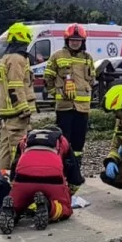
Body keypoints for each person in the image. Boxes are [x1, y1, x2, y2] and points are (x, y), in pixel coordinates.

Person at [0, 126, 86, 233]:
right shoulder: (62, 140)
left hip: (24, 179)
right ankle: (48, 206)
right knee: (65, 209)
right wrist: (69, 192)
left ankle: (11, 211)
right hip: (52, 180)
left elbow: (15, 167)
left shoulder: (25, 140)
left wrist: (14, 187)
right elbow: (74, 175)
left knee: (17, 203)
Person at [43, 24, 96, 178]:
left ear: (83, 41)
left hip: (83, 108)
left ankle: (76, 172)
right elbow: (48, 78)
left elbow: (92, 80)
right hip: (65, 107)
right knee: (64, 141)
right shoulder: (57, 56)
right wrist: (56, 94)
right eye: (72, 40)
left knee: (79, 142)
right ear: (67, 40)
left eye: (78, 40)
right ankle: (62, 171)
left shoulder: (88, 59)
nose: (75, 42)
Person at [0, 22, 37, 172]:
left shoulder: (8, 57)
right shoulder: (17, 59)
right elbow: (16, 85)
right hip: (17, 113)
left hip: (9, 111)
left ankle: (1, 177)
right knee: (18, 147)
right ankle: (18, 178)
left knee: (6, 149)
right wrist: (23, 108)